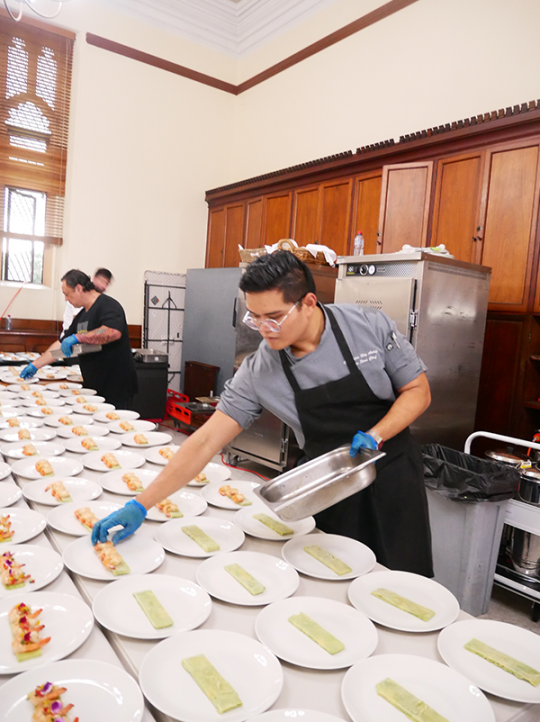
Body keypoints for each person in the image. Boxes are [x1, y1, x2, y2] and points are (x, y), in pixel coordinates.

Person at [92, 252, 433, 576]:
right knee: (339, 576)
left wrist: (376, 433)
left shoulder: (367, 326)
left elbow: (418, 391)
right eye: (254, 317)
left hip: (393, 473)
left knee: (404, 575)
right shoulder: (260, 369)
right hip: (330, 488)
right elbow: (207, 440)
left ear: (309, 303)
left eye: (274, 317)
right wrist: (141, 504)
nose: (264, 328)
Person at [21, 269, 137, 409]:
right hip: (94, 385)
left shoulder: (108, 305)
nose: (66, 299)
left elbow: (112, 332)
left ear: (79, 289)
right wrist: (35, 365)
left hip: (116, 387)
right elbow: (61, 343)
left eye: (67, 294)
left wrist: (78, 337)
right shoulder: (82, 315)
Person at [61, 268, 113, 338]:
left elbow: (110, 332)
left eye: (107, 283)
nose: (104, 286)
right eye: (102, 281)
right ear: (95, 279)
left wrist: (78, 338)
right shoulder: (80, 310)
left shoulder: (109, 306)